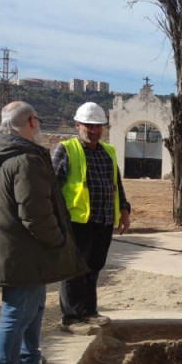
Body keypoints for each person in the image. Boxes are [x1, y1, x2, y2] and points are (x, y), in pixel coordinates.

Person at [0, 101, 86, 364]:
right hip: (21, 252)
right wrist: (57, 241)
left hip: (11, 248)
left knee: (32, 307)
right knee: (16, 312)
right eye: (37, 121)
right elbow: (35, 213)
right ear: (32, 122)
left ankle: (29, 359)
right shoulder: (25, 160)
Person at [52, 102, 131, 335]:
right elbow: (52, 188)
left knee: (94, 267)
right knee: (74, 269)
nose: (95, 131)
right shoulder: (65, 150)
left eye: (98, 126)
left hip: (103, 220)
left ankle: (89, 311)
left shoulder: (108, 152)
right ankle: (71, 317)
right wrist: (57, 220)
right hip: (77, 222)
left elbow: (116, 184)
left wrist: (124, 210)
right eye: (89, 126)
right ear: (77, 125)